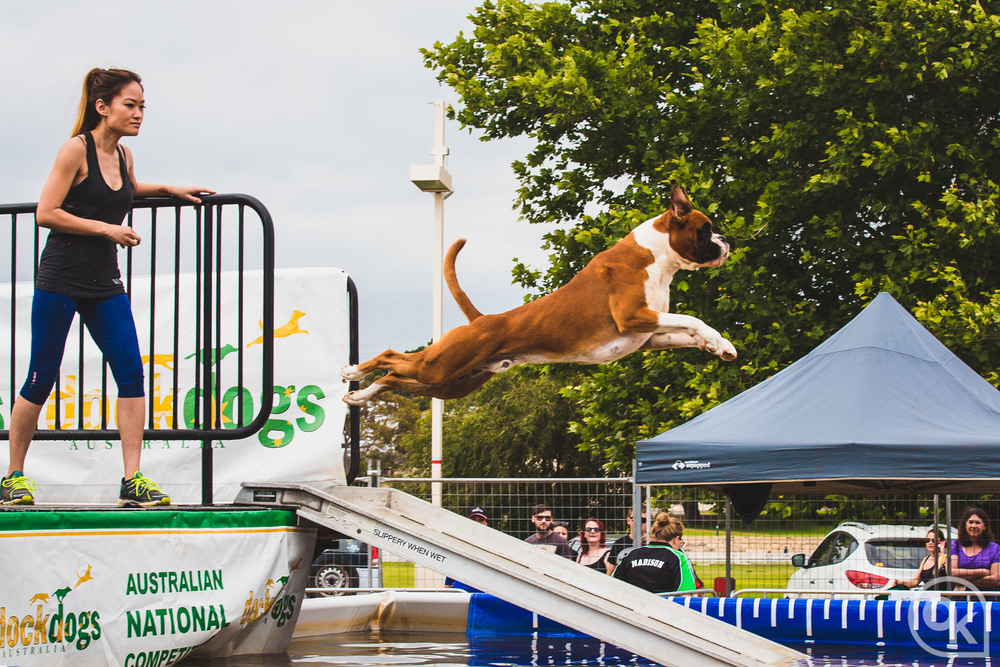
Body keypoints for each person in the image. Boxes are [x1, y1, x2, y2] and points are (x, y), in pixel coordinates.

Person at [0, 67, 213, 507]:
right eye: (129, 105)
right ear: (103, 107)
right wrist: (105, 230)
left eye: (142, 107)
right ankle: (12, 477)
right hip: (60, 278)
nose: (138, 115)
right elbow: (46, 212)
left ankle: (132, 479)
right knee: (41, 376)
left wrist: (169, 188)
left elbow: (128, 190)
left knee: (132, 372)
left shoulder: (124, 157)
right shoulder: (74, 150)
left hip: (104, 284)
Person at [612, 513, 698, 594]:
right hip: (664, 607)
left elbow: (612, 583)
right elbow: (687, 593)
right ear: (676, 539)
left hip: (633, 605)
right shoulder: (677, 557)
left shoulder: (632, 554)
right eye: (681, 542)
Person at [950, 507, 1000, 591]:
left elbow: (996, 579)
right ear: (965, 525)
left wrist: (962, 580)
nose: (973, 526)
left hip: (985, 600)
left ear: (985, 526)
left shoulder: (994, 548)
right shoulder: (955, 545)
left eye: (977, 523)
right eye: (971, 522)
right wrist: (982, 572)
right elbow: (951, 573)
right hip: (960, 601)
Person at [445, 507, 490, 591]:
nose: (477, 523)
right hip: (461, 589)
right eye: (473, 520)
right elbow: (452, 565)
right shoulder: (460, 542)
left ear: (486, 523)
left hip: (484, 591)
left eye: (481, 520)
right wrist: (447, 587)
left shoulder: (493, 543)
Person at [607, 507, 647, 572]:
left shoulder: (652, 543)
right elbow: (610, 572)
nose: (639, 523)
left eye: (643, 520)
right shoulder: (619, 544)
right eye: (635, 519)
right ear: (628, 520)